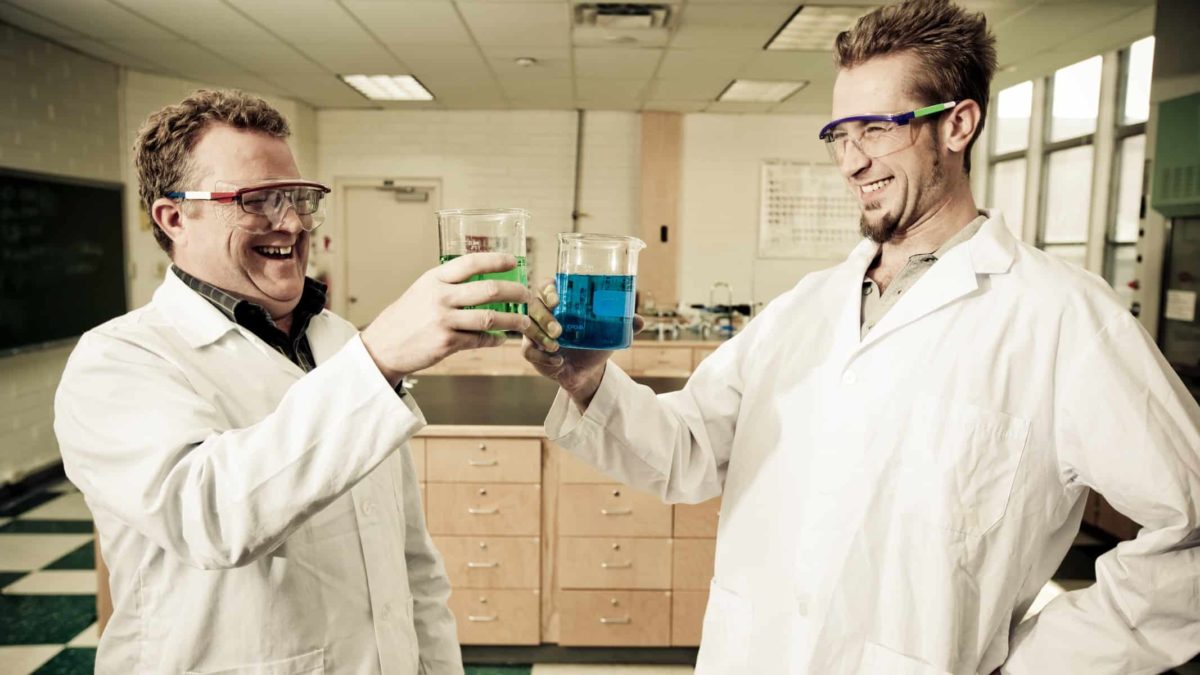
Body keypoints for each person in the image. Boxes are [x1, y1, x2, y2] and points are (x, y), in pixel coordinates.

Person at [521, 0, 1200, 672]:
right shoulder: (805, 309)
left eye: (875, 129)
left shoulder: (1061, 319)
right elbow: (686, 452)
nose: (850, 162)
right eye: (839, 135)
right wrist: (588, 381)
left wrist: (1037, 663)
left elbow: (1190, 531)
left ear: (959, 124)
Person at [54, 89, 532, 673]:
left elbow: (406, 558)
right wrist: (379, 359)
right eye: (256, 200)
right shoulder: (119, 361)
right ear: (174, 217)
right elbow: (210, 518)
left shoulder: (338, 341)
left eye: (298, 198)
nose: (291, 222)